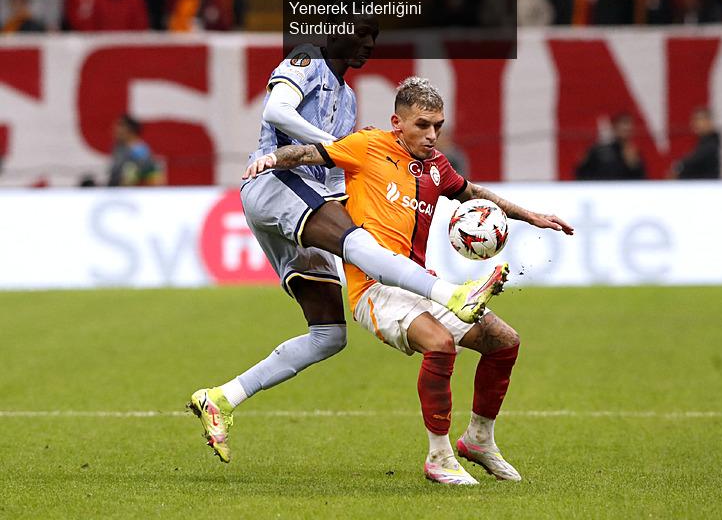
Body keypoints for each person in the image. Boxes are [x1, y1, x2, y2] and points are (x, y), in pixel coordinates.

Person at [187, 13, 513, 464]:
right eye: (361, 34)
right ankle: (451, 293)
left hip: (302, 196)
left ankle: (220, 398)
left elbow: (339, 169)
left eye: (374, 37)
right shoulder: (306, 61)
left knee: (328, 335)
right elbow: (276, 112)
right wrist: (341, 147)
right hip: (275, 182)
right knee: (358, 244)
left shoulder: (347, 95)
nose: (368, 44)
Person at [242, 77, 574, 484]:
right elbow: (313, 151)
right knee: (439, 344)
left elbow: (472, 193)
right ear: (397, 122)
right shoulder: (368, 146)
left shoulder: (438, 167)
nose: (432, 135)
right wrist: (271, 160)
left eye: (438, 125)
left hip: (418, 281)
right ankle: (438, 457)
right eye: (422, 125)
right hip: (374, 291)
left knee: (504, 342)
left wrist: (532, 216)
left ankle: (479, 440)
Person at [575, 112, 646, 180]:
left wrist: (634, 166)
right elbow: (581, 173)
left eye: (629, 128)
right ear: (614, 127)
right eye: (623, 126)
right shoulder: (599, 150)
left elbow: (641, 180)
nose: (626, 129)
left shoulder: (634, 154)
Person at [107, 115, 163, 186]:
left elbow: (153, 176)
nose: (115, 129)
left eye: (120, 125)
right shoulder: (118, 148)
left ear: (129, 129)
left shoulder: (139, 150)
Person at [668, 107, 721, 179]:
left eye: (698, 119)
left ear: (708, 121)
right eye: (693, 120)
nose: (694, 123)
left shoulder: (712, 144)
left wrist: (679, 167)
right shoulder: (702, 142)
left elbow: (694, 160)